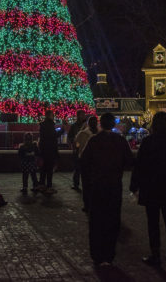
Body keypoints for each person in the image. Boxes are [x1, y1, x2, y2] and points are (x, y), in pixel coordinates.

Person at [130, 112, 166, 265]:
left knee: (153, 222)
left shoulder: (148, 142)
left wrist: (134, 185)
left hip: (151, 186)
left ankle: (155, 254)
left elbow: (139, 165)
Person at [80, 112, 134, 266]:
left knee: (97, 220)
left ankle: (97, 254)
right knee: (112, 219)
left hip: (97, 185)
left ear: (101, 124)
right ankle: (109, 254)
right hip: (114, 186)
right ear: (113, 124)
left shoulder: (94, 140)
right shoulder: (121, 141)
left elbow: (84, 161)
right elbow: (130, 161)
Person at [75, 116, 98, 212]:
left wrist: (79, 150)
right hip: (92, 162)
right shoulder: (99, 134)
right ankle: (90, 203)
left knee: (88, 184)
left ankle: (89, 204)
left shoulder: (83, 133)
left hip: (89, 161)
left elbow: (76, 144)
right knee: (90, 184)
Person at [38, 110, 62, 194]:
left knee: (43, 169)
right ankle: (49, 186)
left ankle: (41, 185)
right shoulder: (50, 124)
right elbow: (53, 136)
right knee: (49, 169)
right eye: (53, 115)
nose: (54, 116)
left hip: (44, 150)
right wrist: (62, 130)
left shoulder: (43, 125)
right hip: (50, 150)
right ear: (49, 116)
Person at [68, 110, 87, 191]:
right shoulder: (74, 126)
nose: (83, 116)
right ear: (78, 116)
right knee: (77, 168)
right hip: (77, 149)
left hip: (85, 149)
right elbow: (70, 136)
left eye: (84, 115)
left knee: (85, 168)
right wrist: (74, 142)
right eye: (82, 115)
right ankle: (76, 184)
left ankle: (85, 184)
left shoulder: (86, 125)